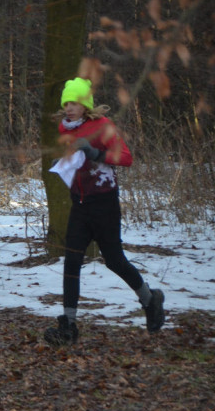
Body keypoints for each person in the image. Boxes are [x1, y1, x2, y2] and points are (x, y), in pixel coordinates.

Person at [44, 77, 164, 345]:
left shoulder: (103, 126)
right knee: (71, 262)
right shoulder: (66, 129)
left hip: (104, 203)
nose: (69, 108)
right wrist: (62, 162)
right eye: (66, 103)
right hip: (80, 204)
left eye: (74, 102)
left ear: (85, 104)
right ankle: (69, 326)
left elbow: (126, 158)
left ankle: (150, 299)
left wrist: (96, 154)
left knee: (114, 260)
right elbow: (75, 159)